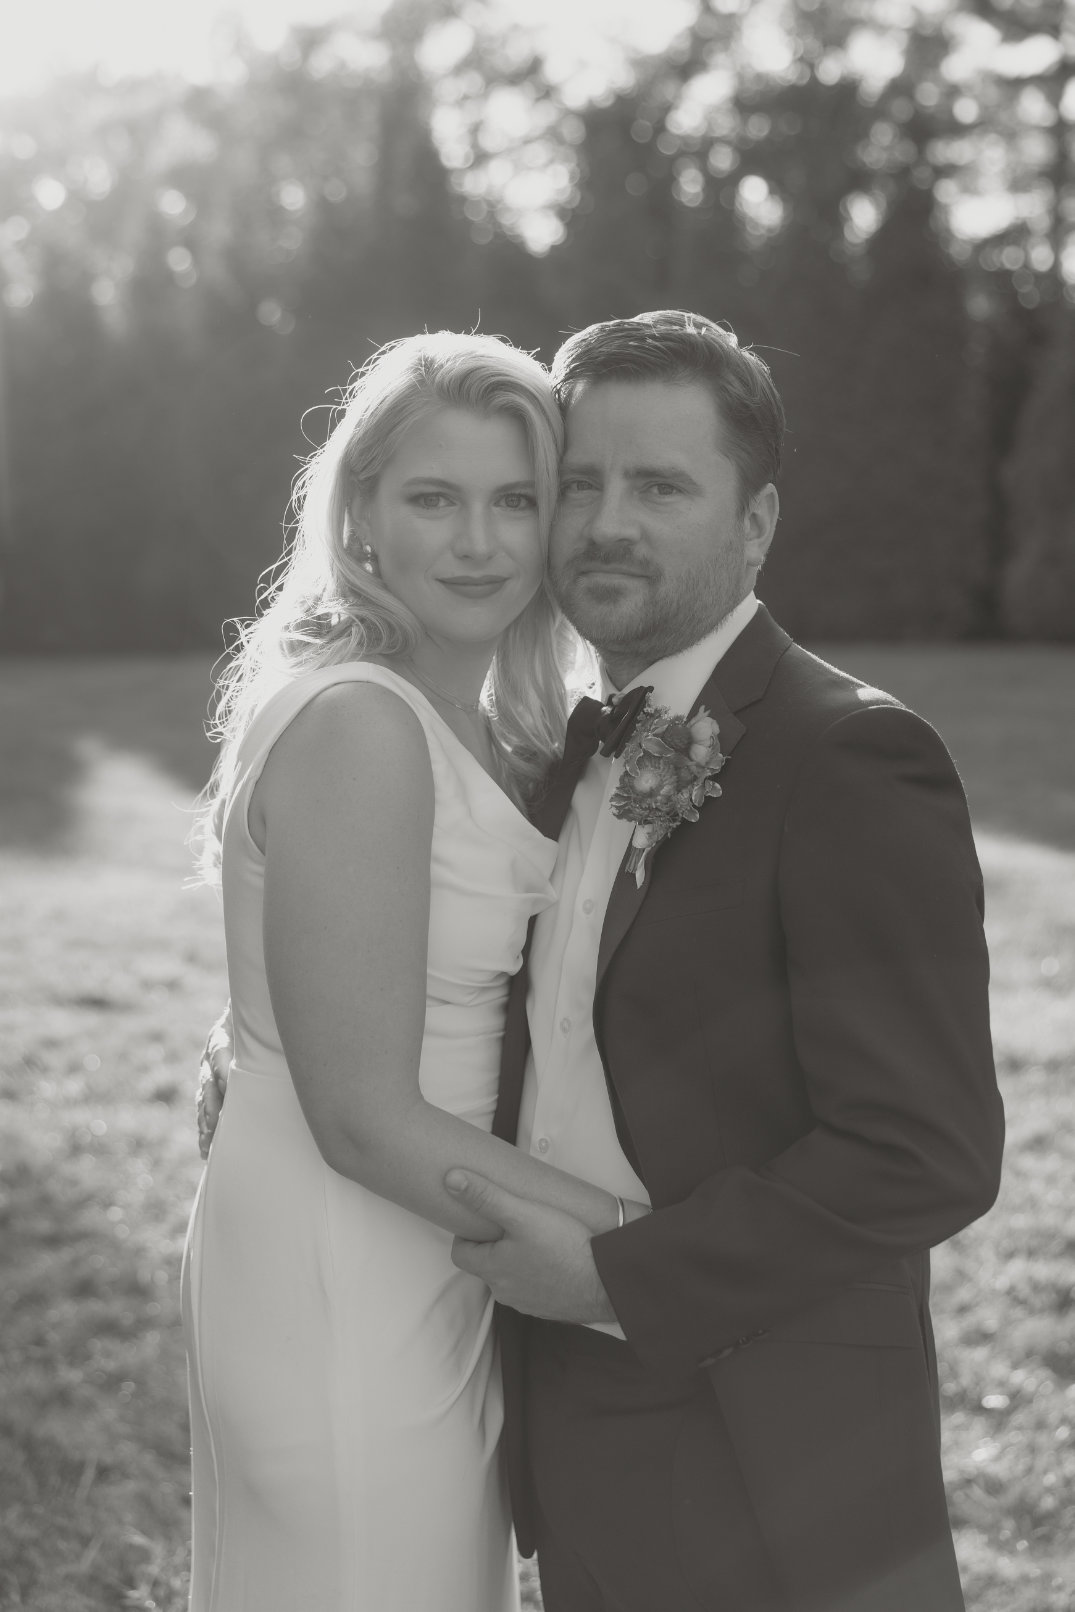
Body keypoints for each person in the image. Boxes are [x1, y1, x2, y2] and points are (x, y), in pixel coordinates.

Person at [442, 310, 1005, 1612]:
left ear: (751, 526)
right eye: (576, 483)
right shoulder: (556, 749)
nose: (603, 522)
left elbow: (921, 1149)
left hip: (768, 1432)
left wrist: (618, 1282)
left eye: (658, 485)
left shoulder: (848, 757)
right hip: (563, 1398)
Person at [181, 331, 648, 1612]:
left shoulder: (487, 723)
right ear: (361, 515)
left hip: (429, 1239)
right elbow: (358, 1114)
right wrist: (643, 1250)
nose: (479, 541)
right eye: (434, 498)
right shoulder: (363, 726)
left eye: (516, 500)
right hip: (347, 1250)